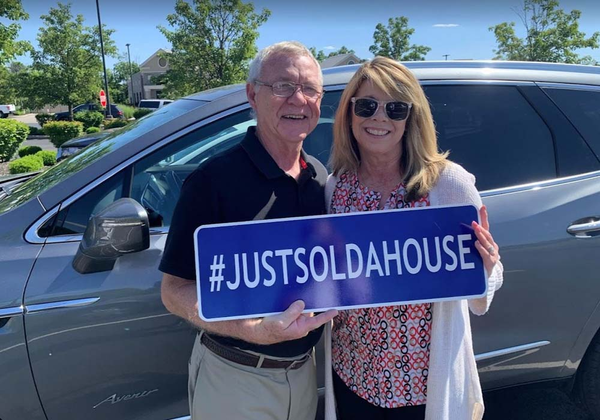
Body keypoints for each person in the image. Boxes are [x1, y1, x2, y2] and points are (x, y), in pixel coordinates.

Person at [159, 41, 337, 420]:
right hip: (235, 377)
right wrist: (253, 330)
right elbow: (174, 291)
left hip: (305, 373)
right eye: (283, 86)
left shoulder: (320, 178)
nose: (298, 100)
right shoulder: (212, 180)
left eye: (310, 89)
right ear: (252, 94)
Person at [322, 57, 504, 420]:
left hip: (421, 387)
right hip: (352, 375)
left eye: (395, 108)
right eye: (367, 106)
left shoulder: (447, 184)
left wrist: (487, 266)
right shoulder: (336, 186)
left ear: (411, 117)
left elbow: (486, 280)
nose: (379, 118)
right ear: (349, 114)